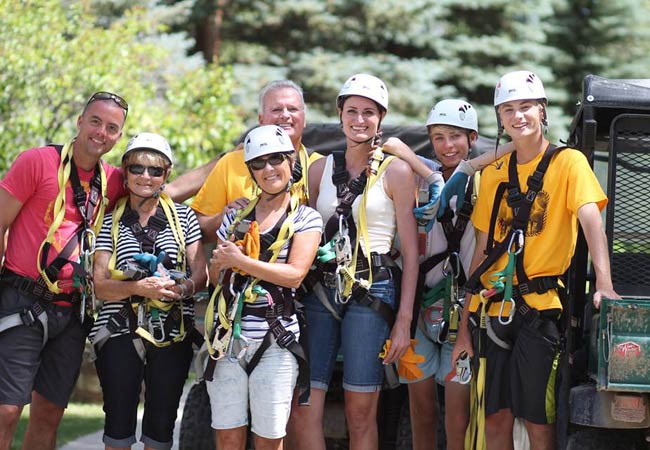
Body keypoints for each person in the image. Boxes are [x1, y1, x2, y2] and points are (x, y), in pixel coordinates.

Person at [453, 70, 621, 450]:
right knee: (495, 418)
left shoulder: (569, 163)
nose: (518, 116)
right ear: (499, 118)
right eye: (508, 109)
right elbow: (481, 254)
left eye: (525, 106)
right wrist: (464, 328)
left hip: (540, 310)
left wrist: (605, 284)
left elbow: (591, 220)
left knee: (538, 421)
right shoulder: (495, 173)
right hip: (493, 310)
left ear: (542, 110)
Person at [291, 73, 419, 450]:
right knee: (304, 405)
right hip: (322, 287)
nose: (359, 120)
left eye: (368, 113)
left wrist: (404, 322)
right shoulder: (320, 170)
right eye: (352, 111)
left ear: (380, 118)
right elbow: (305, 230)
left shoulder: (396, 172)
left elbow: (410, 253)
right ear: (340, 114)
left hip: (372, 288)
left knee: (360, 410)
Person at [0, 91, 129, 450]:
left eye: (112, 128)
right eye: (96, 122)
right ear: (80, 121)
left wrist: (232, 158)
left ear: (118, 137)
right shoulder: (37, 162)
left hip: (72, 311)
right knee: (6, 410)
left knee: (49, 415)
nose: (101, 132)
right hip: (22, 300)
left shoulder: (113, 181)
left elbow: (166, 189)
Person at [204, 125, 322, 450]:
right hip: (229, 339)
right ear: (250, 171)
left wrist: (238, 262)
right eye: (259, 163)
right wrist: (220, 264)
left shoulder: (306, 219)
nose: (269, 169)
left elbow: (295, 275)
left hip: (277, 340)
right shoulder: (237, 216)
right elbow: (218, 280)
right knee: (228, 438)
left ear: (290, 162)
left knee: (269, 440)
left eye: (276, 159)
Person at [89, 132, 207, 450]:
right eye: (138, 168)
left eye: (155, 170)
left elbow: (201, 273)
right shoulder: (110, 220)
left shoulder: (183, 217)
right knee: (118, 421)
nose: (146, 176)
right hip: (118, 329)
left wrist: (182, 288)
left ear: (165, 175)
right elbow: (99, 284)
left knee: (161, 423)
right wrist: (138, 287)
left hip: (172, 329)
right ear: (125, 172)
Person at [383, 99, 481, 450]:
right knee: (421, 411)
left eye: (455, 136)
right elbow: (390, 144)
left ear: (472, 137)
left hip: (462, 315)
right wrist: (430, 174)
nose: (447, 145)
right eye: (438, 137)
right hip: (421, 312)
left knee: (458, 418)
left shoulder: (483, 180)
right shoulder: (419, 176)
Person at [191, 80, 321, 240]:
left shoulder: (319, 166)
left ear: (304, 118)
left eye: (293, 109)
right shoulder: (231, 162)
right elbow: (197, 228)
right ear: (261, 119)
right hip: (236, 261)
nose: (285, 115)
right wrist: (223, 219)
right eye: (276, 109)